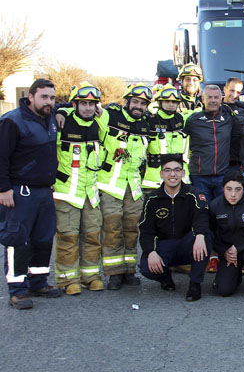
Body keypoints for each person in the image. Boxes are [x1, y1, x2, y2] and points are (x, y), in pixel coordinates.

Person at [0, 79, 61, 309]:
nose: (49, 102)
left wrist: (61, 109)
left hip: (44, 191)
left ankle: (38, 281)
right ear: (31, 97)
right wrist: (3, 188)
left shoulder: (50, 117)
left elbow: (63, 107)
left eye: (52, 98)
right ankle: (17, 290)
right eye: (44, 97)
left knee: (43, 239)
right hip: (19, 191)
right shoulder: (12, 121)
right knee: (17, 240)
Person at [96, 83, 152, 290]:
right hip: (110, 185)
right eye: (135, 102)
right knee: (112, 229)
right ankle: (114, 273)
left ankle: (129, 270)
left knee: (131, 231)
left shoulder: (146, 125)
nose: (138, 106)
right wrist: (63, 112)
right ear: (126, 101)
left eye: (143, 104)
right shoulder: (110, 116)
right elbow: (81, 109)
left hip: (134, 188)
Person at [52, 82, 104, 295]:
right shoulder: (61, 124)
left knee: (93, 236)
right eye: (83, 103)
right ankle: (67, 280)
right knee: (67, 238)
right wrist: (58, 109)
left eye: (92, 104)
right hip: (66, 193)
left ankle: (90, 276)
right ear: (75, 104)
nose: (88, 108)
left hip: (91, 193)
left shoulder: (100, 125)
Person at [138, 154, 212, 301]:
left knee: (205, 238)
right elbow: (146, 230)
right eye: (167, 170)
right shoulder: (152, 199)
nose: (172, 174)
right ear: (161, 174)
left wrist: (200, 236)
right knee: (146, 268)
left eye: (177, 170)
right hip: (165, 245)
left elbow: (202, 217)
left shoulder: (194, 194)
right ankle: (165, 277)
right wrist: (151, 252)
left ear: (183, 173)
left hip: (187, 243)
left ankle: (195, 284)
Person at [208, 171, 244, 297]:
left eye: (238, 189)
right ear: (223, 188)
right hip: (228, 251)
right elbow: (211, 235)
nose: (233, 194)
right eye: (229, 189)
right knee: (223, 290)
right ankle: (236, 276)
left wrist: (237, 247)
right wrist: (224, 251)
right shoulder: (214, 206)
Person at [184, 84, 233, 201]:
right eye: (209, 97)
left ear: (221, 99)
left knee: (221, 212)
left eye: (216, 97)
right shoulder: (193, 120)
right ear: (203, 99)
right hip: (200, 176)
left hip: (222, 175)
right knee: (202, 211)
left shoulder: (229, 118)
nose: (213, 101)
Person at [141, 84, 190, 191]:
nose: (171, 104)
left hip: (180, 180)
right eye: (167, 101)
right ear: (160, 102)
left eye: (174, 102)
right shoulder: (149, 121)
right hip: (154, 182)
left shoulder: (183, 120)